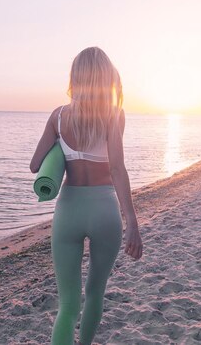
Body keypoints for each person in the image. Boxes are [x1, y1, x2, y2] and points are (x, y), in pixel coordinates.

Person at [30, 46, 143, 345]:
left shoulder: (58, 116)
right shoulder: (114, 115)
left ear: (75, 77)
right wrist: (132, 222)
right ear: (105, 78)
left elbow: (33, 166)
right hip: (105, 210)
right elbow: (117, 169)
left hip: (68, 211)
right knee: (95, 293)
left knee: (67, 304)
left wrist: (59, 148)